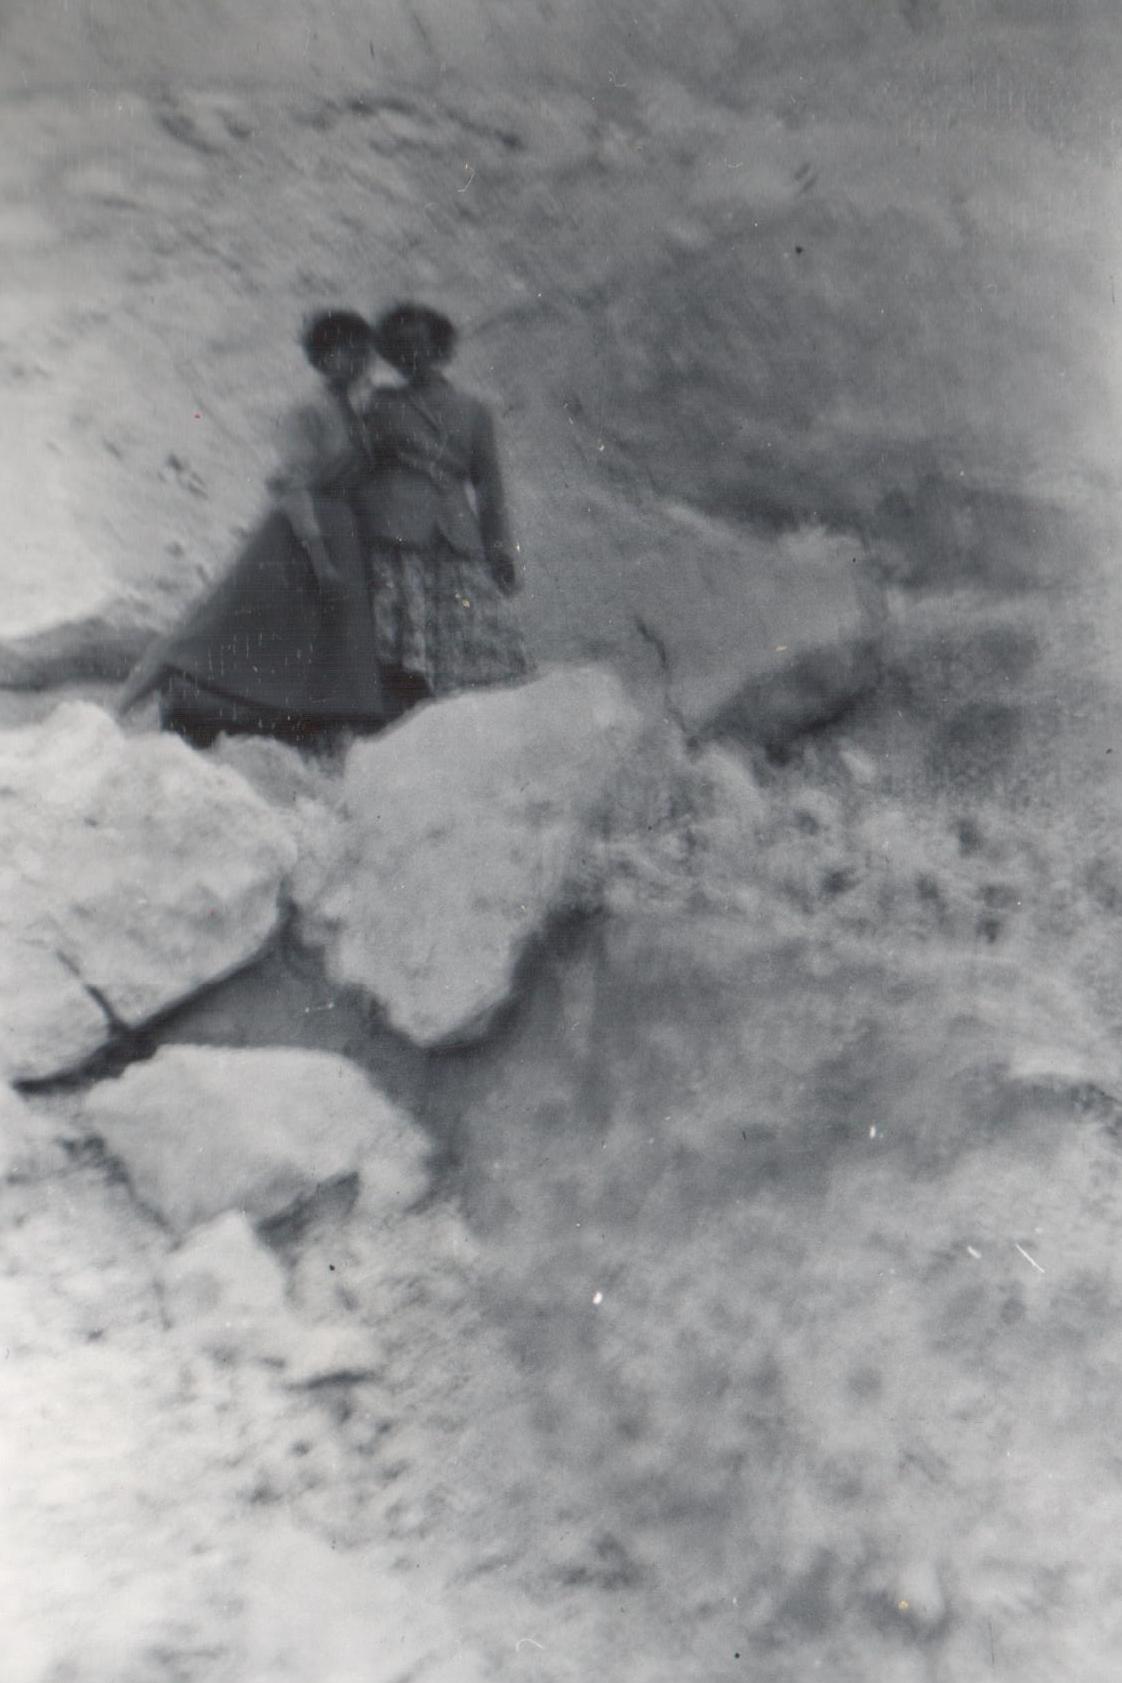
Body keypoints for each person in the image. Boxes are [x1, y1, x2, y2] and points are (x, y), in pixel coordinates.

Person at [116, 309, 396, 746]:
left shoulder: (353, 412)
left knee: (324, 639)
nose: (357, 362)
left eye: (363, 353)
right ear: (322, 358)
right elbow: (293, 485)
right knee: (215, 624)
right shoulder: (307, 410)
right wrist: (319, 556)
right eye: (345, 352)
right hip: (296, 534)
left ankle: (307, 731)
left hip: (341, 531)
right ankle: (120, 711)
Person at [354, 301, 528, 709]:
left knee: (470, 645)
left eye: (420, 344)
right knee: (400, 646)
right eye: (400, 347)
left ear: (440, 348)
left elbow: (489, 486)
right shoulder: (378, 406)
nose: (411, 355)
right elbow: (359, 470)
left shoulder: (474, 411)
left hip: (455, 534)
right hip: (397, 538)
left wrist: (500, 549)